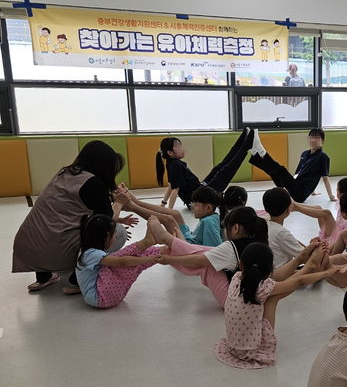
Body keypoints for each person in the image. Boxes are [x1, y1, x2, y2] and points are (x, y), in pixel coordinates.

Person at [13, 140, 134, 293]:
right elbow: (106, 221)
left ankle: (44, 276)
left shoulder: (63, 173)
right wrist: (119, 204)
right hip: (56, 251)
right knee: (118, 232)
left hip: (30, 247)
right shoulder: (94, 183)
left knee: (46, 225)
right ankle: (78, 278)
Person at [150, 211, 317, 308]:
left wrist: (170, 259)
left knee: (208, 263)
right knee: (212, 253)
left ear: (235, 228)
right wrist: (301, 260)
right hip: (250, 295)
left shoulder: (231, 247)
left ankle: (170, 241)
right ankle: (175, 243)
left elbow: (199, 262)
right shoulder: (262, 246)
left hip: (230, 300)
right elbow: (273, 276)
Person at [216, 242, 338, 369]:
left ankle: (306, 264)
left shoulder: (236, 277)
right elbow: (298, 282)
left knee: (274, 290)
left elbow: (279, 280)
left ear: (241, 264)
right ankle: (308, 266)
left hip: (234, 345)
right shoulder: (263, 287)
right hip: (251, 351)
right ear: (270, 269)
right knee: (273, 297)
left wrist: (302, 259)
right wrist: (325, 273)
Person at [75, 215, 163, 309]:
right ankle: (147, 242)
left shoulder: (88, 250)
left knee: (124, 257)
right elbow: (122, 262)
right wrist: (150, 259)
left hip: (102, 296)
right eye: (115, 233)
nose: (116, 236)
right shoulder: (92, 254)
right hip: (99, 297)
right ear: (107, 235)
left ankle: (158, 248)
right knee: (121, 259)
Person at [155, 129, 252, 209]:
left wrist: (163, 203)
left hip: (200, 190)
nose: (182, 148)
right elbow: (174, 190)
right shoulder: (175, 165)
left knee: (219, 168)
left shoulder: (171, 163)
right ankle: (247, 142)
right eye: (178, 146)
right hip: (201, 198)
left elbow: (170, 186)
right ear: (170, 153)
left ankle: (244, 137)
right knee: (225, 171)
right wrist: (170, 211)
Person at [248, 128, 336, 203]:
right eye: (311, 137)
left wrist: (331, 196)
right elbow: (300, 173)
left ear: (322, 140)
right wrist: (313, 191)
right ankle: (254, 152)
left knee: (281, 170)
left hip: (299, 195)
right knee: (273, 172)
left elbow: (325, 177)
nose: (313, 140)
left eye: (317, 138)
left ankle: (260, 150)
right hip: (292, 188)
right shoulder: (304, 154)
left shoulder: (323, 157)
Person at [292, 177, 347, 247]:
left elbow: (346, 228)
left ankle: (296, 207)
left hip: (339, 236)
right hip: (337, 230)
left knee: (327, 213)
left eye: (337, 190)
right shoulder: (344, 201)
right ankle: (295, 204)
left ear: (342, 194)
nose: (336, 192)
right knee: (318, 208)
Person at [263, 187, 305, 268]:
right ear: (288, 210)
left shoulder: (265, 223)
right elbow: (304, 256)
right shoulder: (281, 232)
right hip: (284, 272)